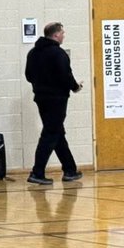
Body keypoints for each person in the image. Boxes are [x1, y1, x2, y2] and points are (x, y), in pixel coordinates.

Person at [25, 22, 83, 186]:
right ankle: (37, 172)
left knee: (57, 133)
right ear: (56, 35)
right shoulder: (58, 53)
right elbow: (66, 75)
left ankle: (70, 169)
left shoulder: (33, 53)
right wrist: (75, 87)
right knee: (50, 134)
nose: (64, 35)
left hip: (41, 98)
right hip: (57, 99)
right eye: (62, 33)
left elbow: (28, 76)